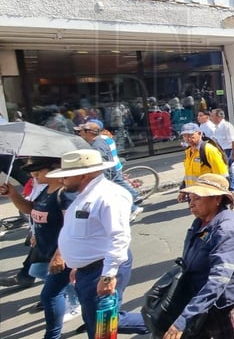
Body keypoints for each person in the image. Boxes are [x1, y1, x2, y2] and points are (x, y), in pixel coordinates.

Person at [48, 149, 149, 338]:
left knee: (103, 326)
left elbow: (119, 237)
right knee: (98, 321)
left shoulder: (109, 196)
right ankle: (166, 322)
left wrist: (108, 276)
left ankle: (167, 322)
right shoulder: (84, 194)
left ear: (83, 175)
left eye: (66, 176)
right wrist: (78, 265)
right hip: (90, 270)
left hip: (102, 268)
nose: (62, 180)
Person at [0, 157, 81, 338]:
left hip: (61, 252)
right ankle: (77, 294)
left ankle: (61, 323)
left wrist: (60, 254)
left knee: (49, 296)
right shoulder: (46, 190)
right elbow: (31, 209)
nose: (32, 174)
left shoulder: (65, 194)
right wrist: (13, 193)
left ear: (53, 170)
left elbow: (72, 225)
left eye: (38, 170)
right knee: (37, 271)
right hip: (44, 249)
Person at [167, 174, 234, 338]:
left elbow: (218, 280)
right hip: (199, 301)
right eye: (190, 198)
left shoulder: (226, 229)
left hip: (223, 305)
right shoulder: (200, 221)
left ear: (217, 199)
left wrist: (185, 317)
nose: (191, 203)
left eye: (197, 198)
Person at [75, 121, 142, 219]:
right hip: (112, 170)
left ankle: (132, 207)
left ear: (88, 132)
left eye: (80, 132)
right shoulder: (100, 140)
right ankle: (132, 205)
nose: (79, 134)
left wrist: (104, 178)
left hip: (108, 173)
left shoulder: (97, 144)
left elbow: (103, 162)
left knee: (112, 194)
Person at [180, 122, 229, 198]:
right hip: (193, 194)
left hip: (207, 194)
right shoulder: (188, 151)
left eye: (190, 135)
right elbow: (188, 174)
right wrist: (183, 190)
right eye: (184, 136)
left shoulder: (208, 149)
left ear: (199, 133)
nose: (188, 138)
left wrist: (222, 195)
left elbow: (222, 175)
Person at [211, 109, 234, 193]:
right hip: (220, 151)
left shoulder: (227, 126)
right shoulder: (216, 127)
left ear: (219, 116)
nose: (211, 118)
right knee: (225, 171)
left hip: (228, 151)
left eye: (213, 116)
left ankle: (233, 189)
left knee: (227, 171)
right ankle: (228, 188)